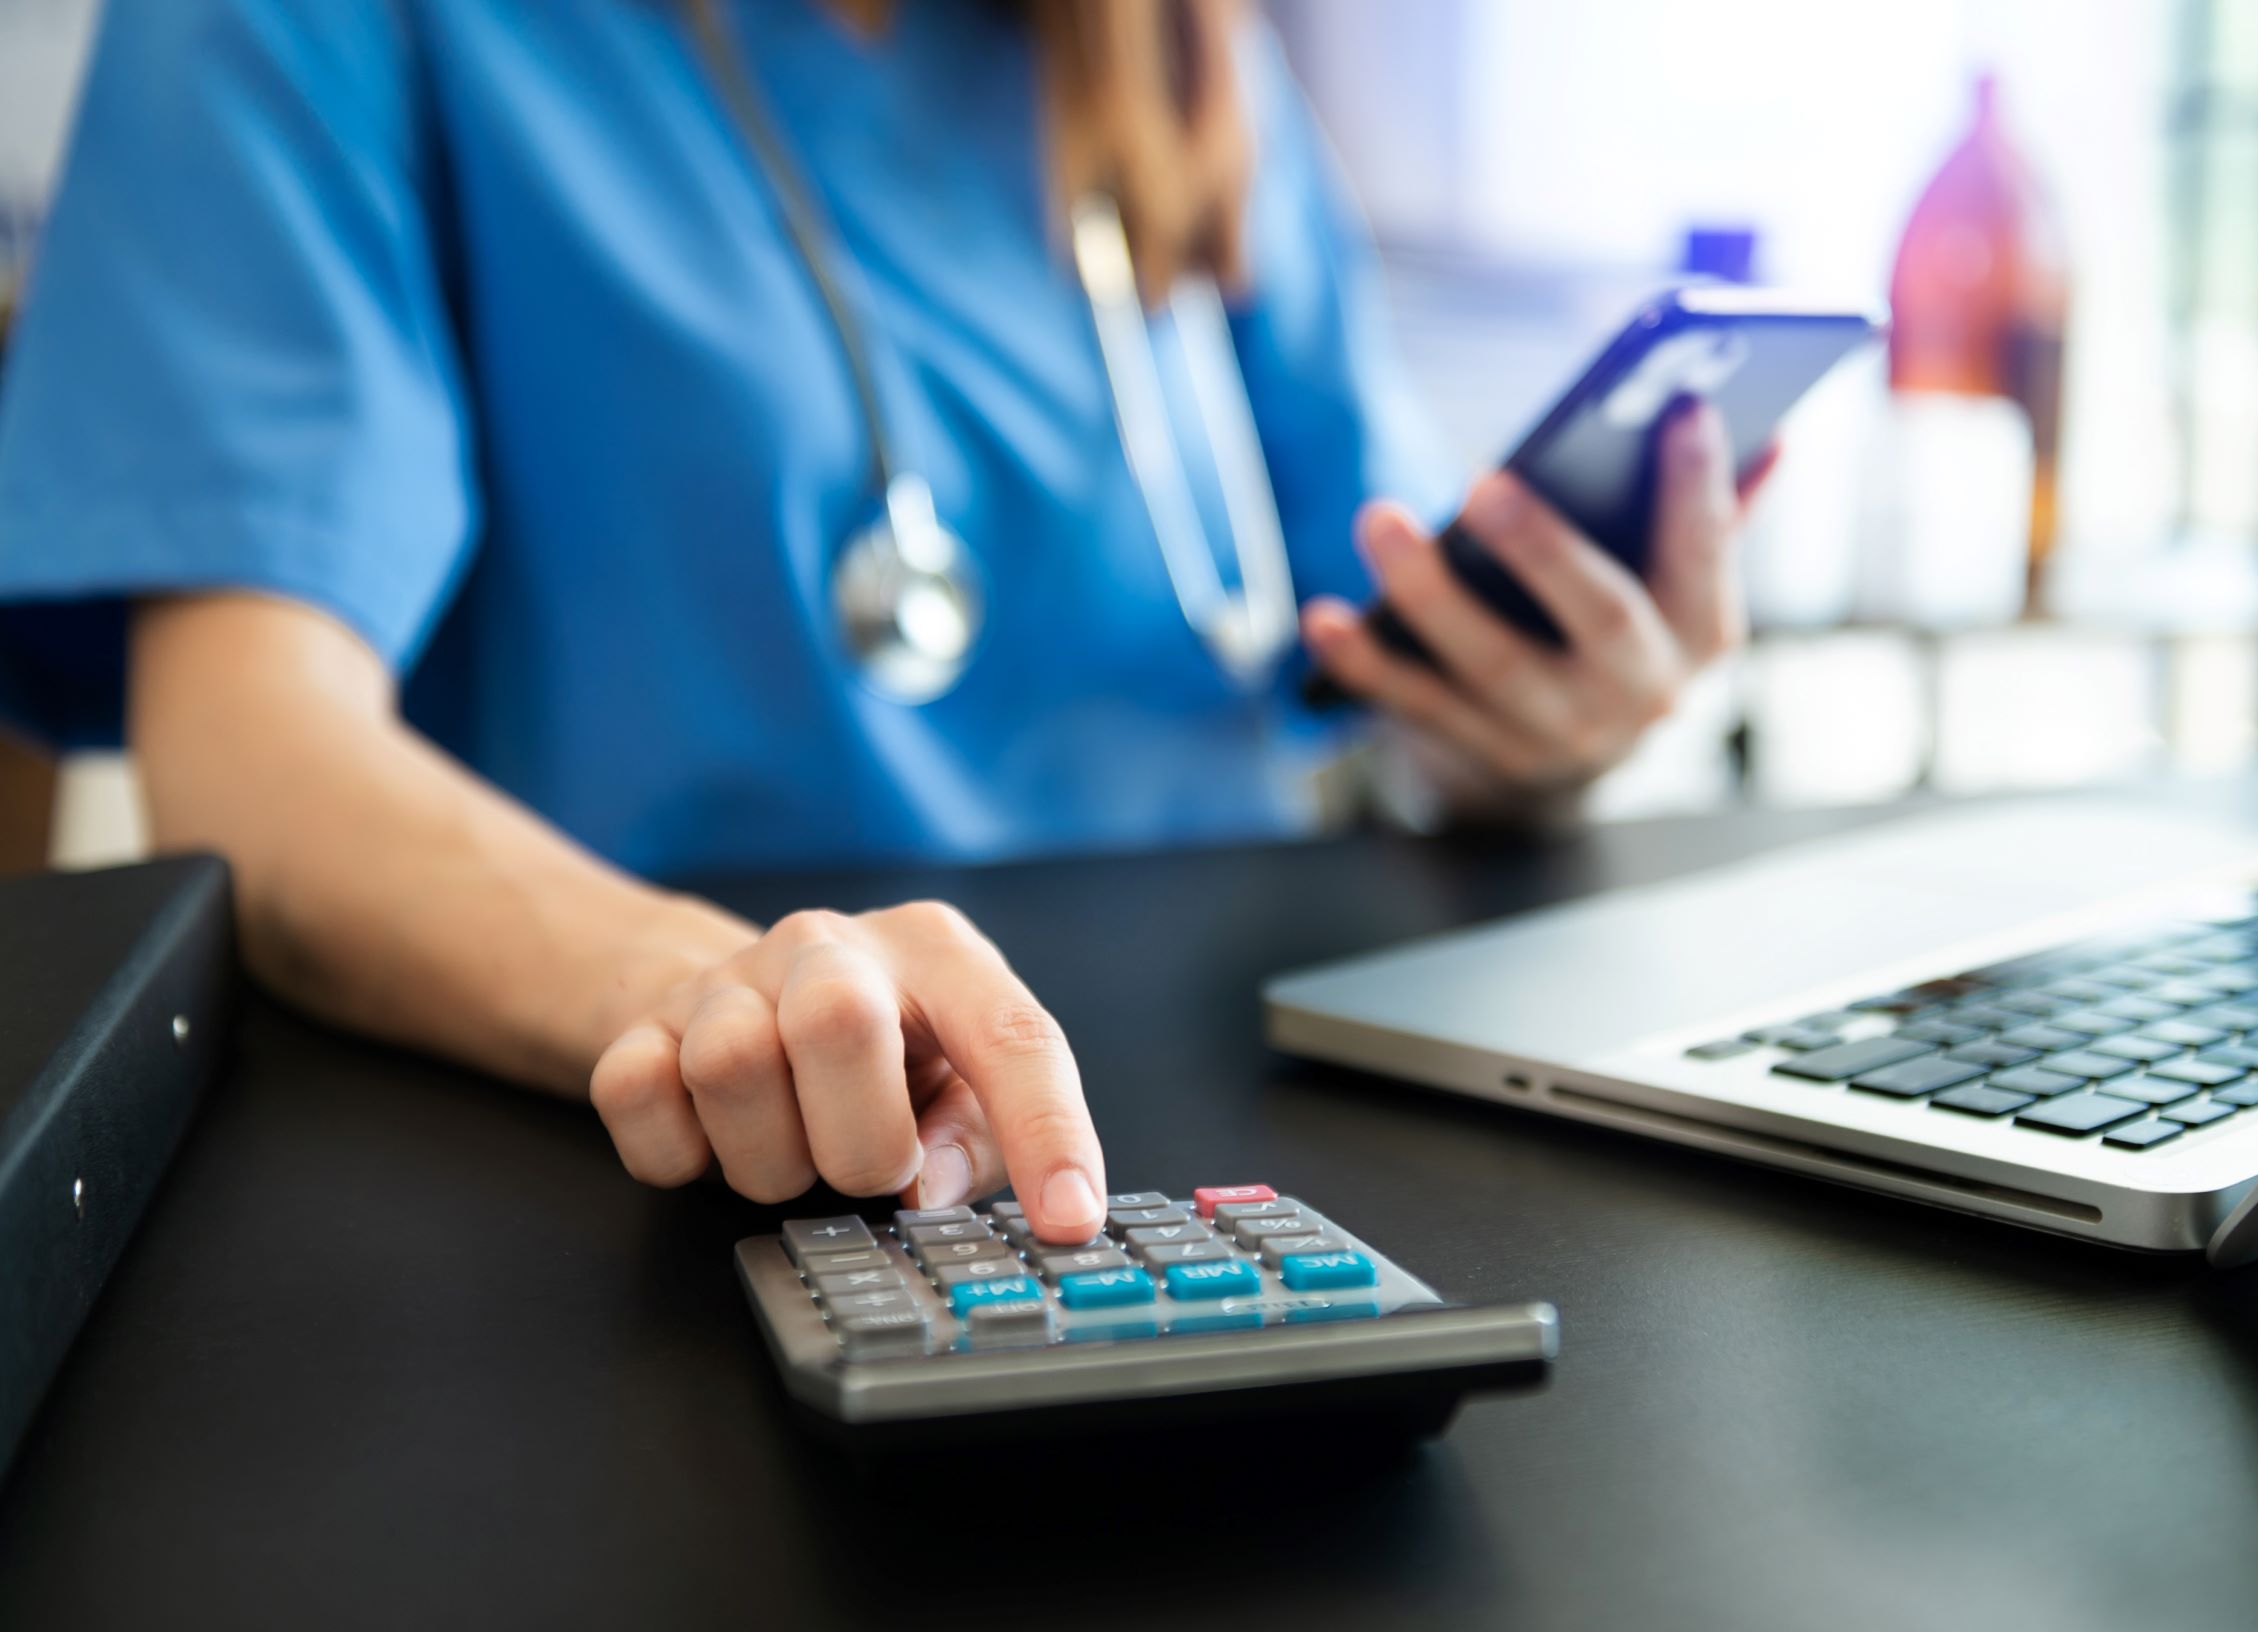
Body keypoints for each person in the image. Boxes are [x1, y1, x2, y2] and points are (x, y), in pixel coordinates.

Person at [0, 0, 1758, 1244]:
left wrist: (1545, 736)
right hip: (700, 1157)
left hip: (1265, 1132)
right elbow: (255, 776)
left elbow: (1377, 662)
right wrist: (706, 991)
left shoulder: (1171, 50)